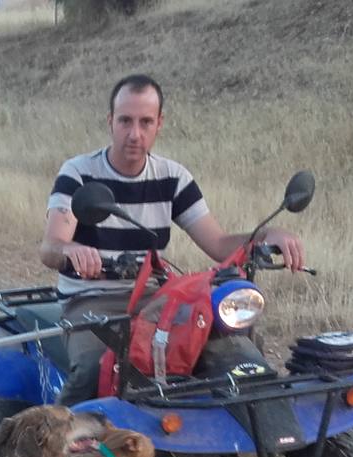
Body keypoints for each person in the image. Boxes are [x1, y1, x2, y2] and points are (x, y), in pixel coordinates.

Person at [39, 73, 307, 404]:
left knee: (232, 350)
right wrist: (71, 249)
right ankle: (61, 446)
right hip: (91, 300)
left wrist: (266, 235)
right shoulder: (79, 173)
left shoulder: (173, 177)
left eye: (145, 122)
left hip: (156, 299)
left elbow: (218, 244)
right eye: (125, 121)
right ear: (110, 122)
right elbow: (50, 248)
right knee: (97, 370)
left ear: (159, 124)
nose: (134, 134)